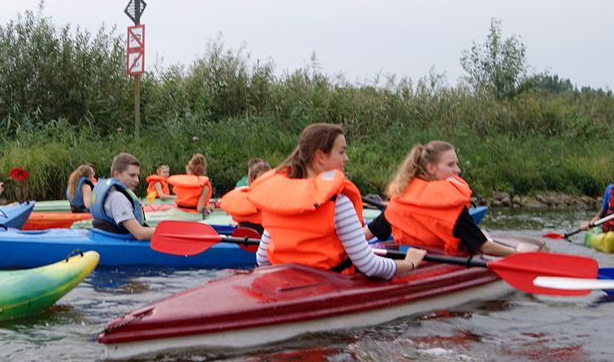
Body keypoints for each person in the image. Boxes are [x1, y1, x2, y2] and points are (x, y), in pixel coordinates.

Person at [247, 123, 425, 277]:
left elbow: (262, 259)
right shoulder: (338, 203)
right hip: (329, 286)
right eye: (341, 152)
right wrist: (410, 263)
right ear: (320, 157)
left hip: (286, 285)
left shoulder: (279, 200)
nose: (346, 158)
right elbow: (369, 265)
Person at [365, 141, 519, 257]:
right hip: (440, 266)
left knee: (482, 232)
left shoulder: (399, 203)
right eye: (451, 165)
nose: (458, 170)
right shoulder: (452, 210)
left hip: (409, 263)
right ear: (431, 168)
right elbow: (484, 247)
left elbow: (366, 234)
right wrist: (517, 253)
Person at [89, 152, 153, 241]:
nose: (137, 180)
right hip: (120, 244)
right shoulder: (118, 198)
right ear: (116, 175)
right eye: (132, 175)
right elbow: (140, 234)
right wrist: (164, 231)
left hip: (107, 238)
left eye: (137, 176)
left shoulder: (111, 193)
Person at [219, 159, 270, 235]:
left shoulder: (239, 199)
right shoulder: (273, 203)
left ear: (250, 179)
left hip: (241, 240)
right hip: (263, 240)